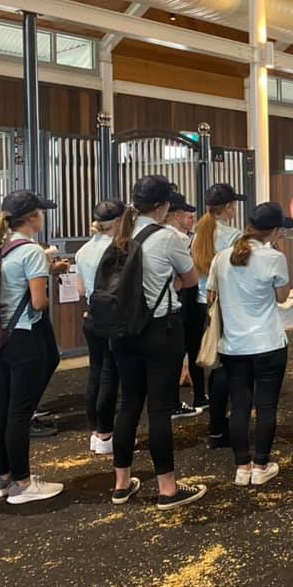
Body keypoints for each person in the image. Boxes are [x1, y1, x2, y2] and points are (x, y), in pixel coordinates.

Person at [110, 175, 206, 510]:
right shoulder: (167, 238)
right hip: (160, 330)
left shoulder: (120, 234)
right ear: (164, 206)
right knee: (160, 410)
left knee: (129, 405)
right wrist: (170, 286)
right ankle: (167, 488)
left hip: (123, 333)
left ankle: (121, 484)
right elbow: (191, 279)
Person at [0, 190, 68, 504]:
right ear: (32, 218)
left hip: (1, 337)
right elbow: (39, 301)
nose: (43, 216)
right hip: (25, 336)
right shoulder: (31, 250)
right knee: (20, 412)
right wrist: (44, 276)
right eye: (40, 212)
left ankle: (2, 478)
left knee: (1, 409)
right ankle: (23, 483)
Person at [210, 202, 293, 487]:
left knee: (240, 405)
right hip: (268, 342)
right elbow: (282, 297)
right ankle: (261, 464)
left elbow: (211, 295)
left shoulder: (221, 258)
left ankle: (241, 466)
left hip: (233, 345)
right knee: (267, 405)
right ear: (274, 231)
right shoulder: (274, 258)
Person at [191, 183, 246, 444]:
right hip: (226, 303)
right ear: (227, 208)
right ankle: (223, 426)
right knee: (227, 363)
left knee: (215, 361)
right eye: (233, 205)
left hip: (203, 302)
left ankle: (215, 424)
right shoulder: (233, 235)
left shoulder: (198, 233)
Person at [74, 198, 126, 456]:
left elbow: (81, 289)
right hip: (112, 318)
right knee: (110, 374)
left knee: (96, 371)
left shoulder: (82, 251)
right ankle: (106, 433)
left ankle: (95, 431)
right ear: (118, 221)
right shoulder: (118, 249)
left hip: (91, 317)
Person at [165, 192, 204, 418]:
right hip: (182, 301)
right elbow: (189, 277)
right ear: (176, 214)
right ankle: (185, 399)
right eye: (185, 213)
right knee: (187, 347)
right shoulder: (176, 239)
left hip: (172, 302)